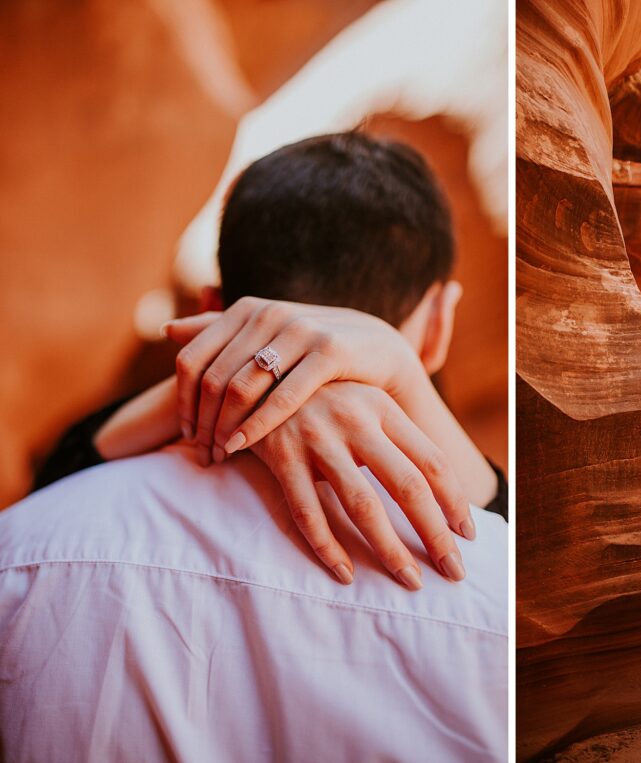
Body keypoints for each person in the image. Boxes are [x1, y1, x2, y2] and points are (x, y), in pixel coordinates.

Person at [0, 132, 508, 758]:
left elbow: (58, 476)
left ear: (212, 310)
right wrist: (380, 371)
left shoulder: (23, 549)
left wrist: (249, 380)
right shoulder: (503, 595)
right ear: (438, 325)